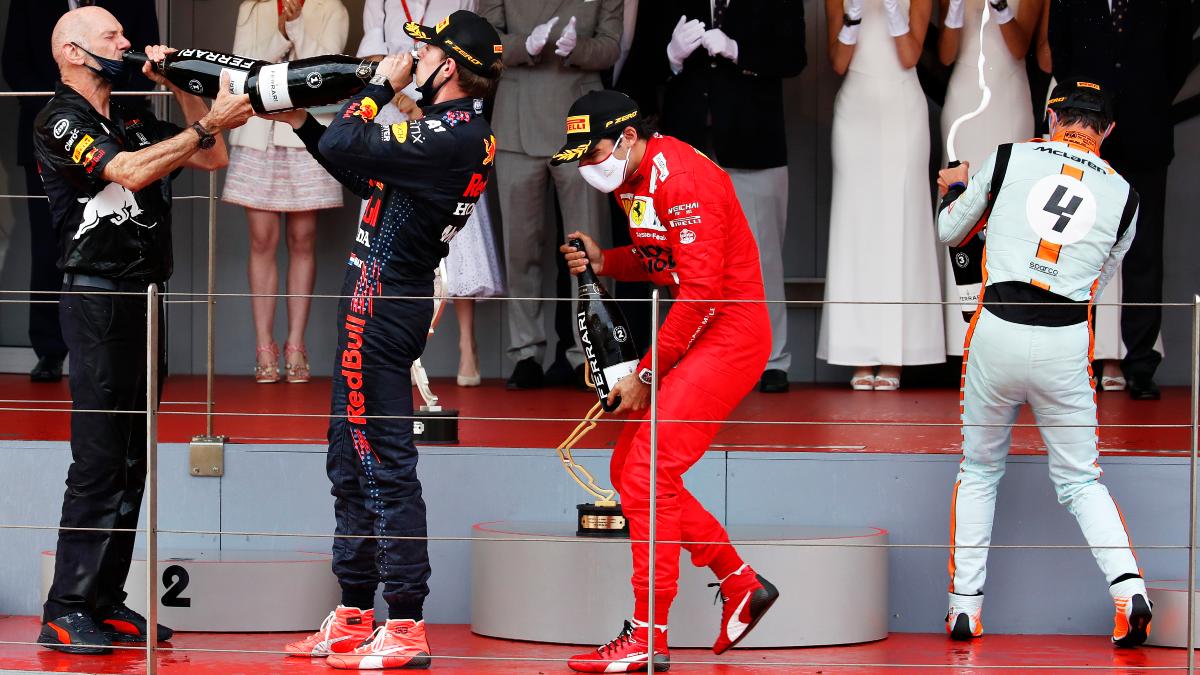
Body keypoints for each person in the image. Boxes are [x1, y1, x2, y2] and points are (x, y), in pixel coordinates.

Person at [269, 10, 502, 669]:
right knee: (349, 458)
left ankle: (404, 623)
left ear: (448, 65)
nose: (413, 59)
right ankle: (352, 615)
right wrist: (304, 125)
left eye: (423, 53)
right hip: (369, 303)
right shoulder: (447, 132)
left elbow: (354, 142)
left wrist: (376, 89)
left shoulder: (455, 133)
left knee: (384, 464)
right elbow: (364, 175)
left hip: (383, 308)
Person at [33, 6, 253, 653]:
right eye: (112, 36)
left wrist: (181, 88)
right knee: (100, 459)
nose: (126, 43)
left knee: (131, 461)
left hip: (146, 296)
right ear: (74, 51)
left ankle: (103, 598)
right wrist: (207, 119)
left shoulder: (129, 116)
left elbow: (212, 158)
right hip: (97, 302)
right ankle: (65, 604)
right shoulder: (59, 118)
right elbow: (127, 171)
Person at [554, 90, 779, 673]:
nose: (586, 166)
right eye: (578, 156)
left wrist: (647, 373)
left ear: (627, 137)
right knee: (628, 469)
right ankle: (739, 582)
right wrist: (608, 261)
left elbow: (703, 290)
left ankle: (649, 635)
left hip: (730, 332)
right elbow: (664, 260)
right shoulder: (636, 177)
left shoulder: (681, 178)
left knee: (649, 469)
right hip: (700, 328)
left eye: (592, 151)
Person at [937, 81, 1150, 647]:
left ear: (1052, 117)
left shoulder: (1009, 157)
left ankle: (964, 608)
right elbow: (1099, 282)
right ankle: (1130, 593)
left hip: (998, 330)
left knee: (980, 470)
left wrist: (953, 190)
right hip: (1064, 341)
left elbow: (949, 231)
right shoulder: (1126, 195)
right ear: (1107, 131)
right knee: (1082, 480)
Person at [615, 0, 807, 394]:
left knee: (762, 255)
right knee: (684, 261)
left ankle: (772, 361)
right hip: (686, 149)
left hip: (753, 142)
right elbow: (635, 74)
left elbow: (794, 56)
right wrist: (671, 57)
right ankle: (693, 355)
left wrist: (738, 51)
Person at [1, 0, 160, 383]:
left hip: (123, 130)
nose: (120, 40)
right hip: (54, 134)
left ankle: (139, 352)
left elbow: (144, 59)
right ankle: (49, 351)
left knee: (135, 235)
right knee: (50, 243)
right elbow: (14, 64)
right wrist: (65, 110)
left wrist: (112, 108)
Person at [1049, 0, 1193, 400]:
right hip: (1089, 137)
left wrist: (1151, 97)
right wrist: (1087, 109)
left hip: (1147, 134)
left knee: (1145, 253)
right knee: (1077, 247)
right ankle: (1074, 360)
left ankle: (1141, 363)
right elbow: (1061, 51)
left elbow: (1181, 53)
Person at [357, 0, 504, 386]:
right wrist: (403, 92)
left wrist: (429, 99)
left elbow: (474, 62)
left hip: (446, 115)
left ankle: (467, 346)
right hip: (394, 106)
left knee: (455, 235)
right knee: (390, 232)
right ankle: (396, 347)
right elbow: (369, 54)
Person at [478, 0, 622, 390]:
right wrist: (526, 45)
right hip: (516, 120)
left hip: (581, 127)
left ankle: (590, 354)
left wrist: (578, 49)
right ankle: (525, 352)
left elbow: (611, 46)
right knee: (520, 249)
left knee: (586, 248)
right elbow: (484, 43)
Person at [818, 0, 945, 390]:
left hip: (901, 108)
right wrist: (853, 17)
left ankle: (895, 353)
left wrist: (894, 13)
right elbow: (839, 62)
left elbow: (910, 55)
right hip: (856, 110)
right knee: (856, 227)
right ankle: (856, 349)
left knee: (900, 225)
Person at [223, 0, 349, 384]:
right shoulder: (251, 7)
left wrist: (294, 28)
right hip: (256, 131)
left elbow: (323, 78)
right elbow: (238, 73)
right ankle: (264, 345)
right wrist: (279, 32)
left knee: (302, 238)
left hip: (304, 134)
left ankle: (296, 343)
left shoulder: (333, 9)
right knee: (261, 239)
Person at [937, 0, 1040, 357]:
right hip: (964, 96)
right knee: (962, 207)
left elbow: (1018, 47)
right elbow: (946, 54)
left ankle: (1010, 331)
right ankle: (962, 338)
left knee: (1009, 210)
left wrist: (998, 5)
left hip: (1008, 98)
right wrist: (953, 9)